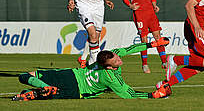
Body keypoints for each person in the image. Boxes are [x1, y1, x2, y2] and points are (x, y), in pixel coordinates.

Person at [12, 37, 172, 101]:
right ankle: (32, 94)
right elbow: (128, 94)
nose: (119, 58)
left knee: (25, 75)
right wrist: (152, 95)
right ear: (108, 66)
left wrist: (153, 44)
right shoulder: (111, 78)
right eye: (116, 60)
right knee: (48, 96)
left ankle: (42, 87)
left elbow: (131, 48)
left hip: (70, 73)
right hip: (77, 89)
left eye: (117, 57)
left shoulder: (110, 55)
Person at [123, 0, 166, 73]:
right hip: (139, 14)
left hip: (151, 13)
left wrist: (155, 5)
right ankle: (145, 64)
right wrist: (130, 5)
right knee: (144, 39)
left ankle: (164, 62)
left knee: (158, 37)